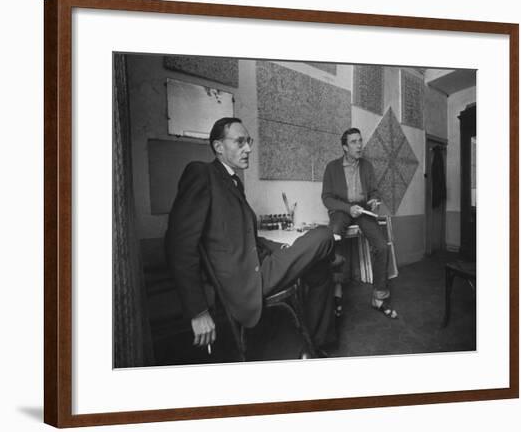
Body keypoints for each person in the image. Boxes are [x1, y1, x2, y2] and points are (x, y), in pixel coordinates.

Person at [165, 117, 337, 357]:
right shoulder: (201, 174)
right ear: (218, 147)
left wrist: (283, 247)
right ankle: (330, 261)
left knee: (320, 271)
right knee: (324, 234)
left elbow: (249, 238)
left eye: (249, 141)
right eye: (240, 142)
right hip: (247, 281)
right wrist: (198, 311)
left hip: (260, 264)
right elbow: (179, 245)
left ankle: (316, 344)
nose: (248, 148)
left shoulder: (233, 182)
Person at [322, 127, 398, 319]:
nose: (359, 145)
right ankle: (337, 292)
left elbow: (374, 191)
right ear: (345, 147)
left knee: (381, 246)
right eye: (354, 142)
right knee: (335, 234)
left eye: (360, 141)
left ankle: (379, 297)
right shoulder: (332, 167)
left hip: (363, 210)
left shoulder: (367, 166)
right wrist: (348, 209)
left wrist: (373, 200)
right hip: (342, 209)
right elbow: (327, 198)